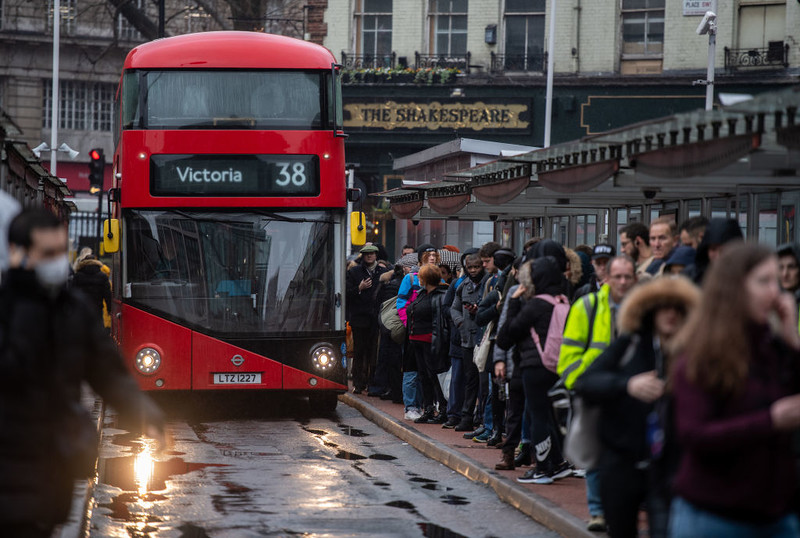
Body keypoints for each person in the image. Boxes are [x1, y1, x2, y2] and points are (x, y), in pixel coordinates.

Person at [0, 208, 164, 536]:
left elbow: (109, 373)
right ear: (18, 253)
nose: (57, 261)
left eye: (60, 252)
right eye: (47, 253)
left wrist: (143, 413)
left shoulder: (71, 310)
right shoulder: (7, 309)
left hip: (51, 472)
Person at [669, 243, 800, 537]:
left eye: (776, 282)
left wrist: (792, 339)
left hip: (776, 513)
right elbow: (694, 433)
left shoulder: (775, 347)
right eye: (763, 282)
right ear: (735, 288)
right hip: (715, 515)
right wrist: (770, 421)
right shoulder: (703, 353)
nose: (774, 293)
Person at [573, 276, 700, 538]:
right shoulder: (630, 344)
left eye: (677, 308)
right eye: (664, 307)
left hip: (669, 469)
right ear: (651, 310)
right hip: (622, 464)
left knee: (665, 530)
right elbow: (586, 382)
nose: (671, 315)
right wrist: (627, 385)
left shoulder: (694, 352)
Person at [558, 255, 638, 532]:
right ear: (607, 278)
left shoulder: (643, 310)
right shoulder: (588, 306)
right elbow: (568, 353)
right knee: (595, 451)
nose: (623, 282)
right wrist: (581, 385)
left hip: (633, 396)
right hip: (595, 392)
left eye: (628, 277)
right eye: (618, 277)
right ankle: (598, 511)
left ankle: (622, 507)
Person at [496, 256, 573, 484]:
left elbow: (505, 337)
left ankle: (542, 467)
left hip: (534, 365)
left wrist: (513, 301)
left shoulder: (535, 305)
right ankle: (557, 463)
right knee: (550, 416)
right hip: (557, 366)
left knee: (538, 416)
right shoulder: (562, 301)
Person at [406, 264, 450, 424]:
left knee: (435, 376)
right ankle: (429, 409)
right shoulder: (422, 293)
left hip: (431, 341)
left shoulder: (440, 295)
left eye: (420, 277)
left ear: (426, 278)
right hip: (417, 340)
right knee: (424, 376)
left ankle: (443, 409)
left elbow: (441, 321)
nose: (418, 279)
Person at [345, 244, 389, 394]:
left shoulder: (383, 272)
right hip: (359, 318)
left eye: (372, 253)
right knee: (359, 351)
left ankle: (372, 383)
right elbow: (346, 293)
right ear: (363, 256)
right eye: (366, 254)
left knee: (373, 353)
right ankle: (358, 383)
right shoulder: (354, 272)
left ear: (376, 255)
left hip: (375, 319)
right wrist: (359, 288)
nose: (369, 256)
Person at [450, 252, 486, 433]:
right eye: (470, 267)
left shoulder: (488, 283)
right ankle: (467, 417)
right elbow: (453, 308)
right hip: (467, 340)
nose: (473, 271)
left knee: (484, 382)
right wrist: (460, 322)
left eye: (476, 267)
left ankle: (482, 418)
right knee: (469, 379)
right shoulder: (463, 285)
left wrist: (478, 311)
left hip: (483, 340)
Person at [685, 217, 743, 285]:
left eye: (724, 250)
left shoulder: (749, 278)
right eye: (713, 249)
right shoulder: (691, 276)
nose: (718, 256)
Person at [71, 254, 113, 323]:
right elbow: (107, 294)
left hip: (81, 309)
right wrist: (109, 309)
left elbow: (72, 292)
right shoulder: (102, 276)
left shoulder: (77, 276)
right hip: (97, 308)